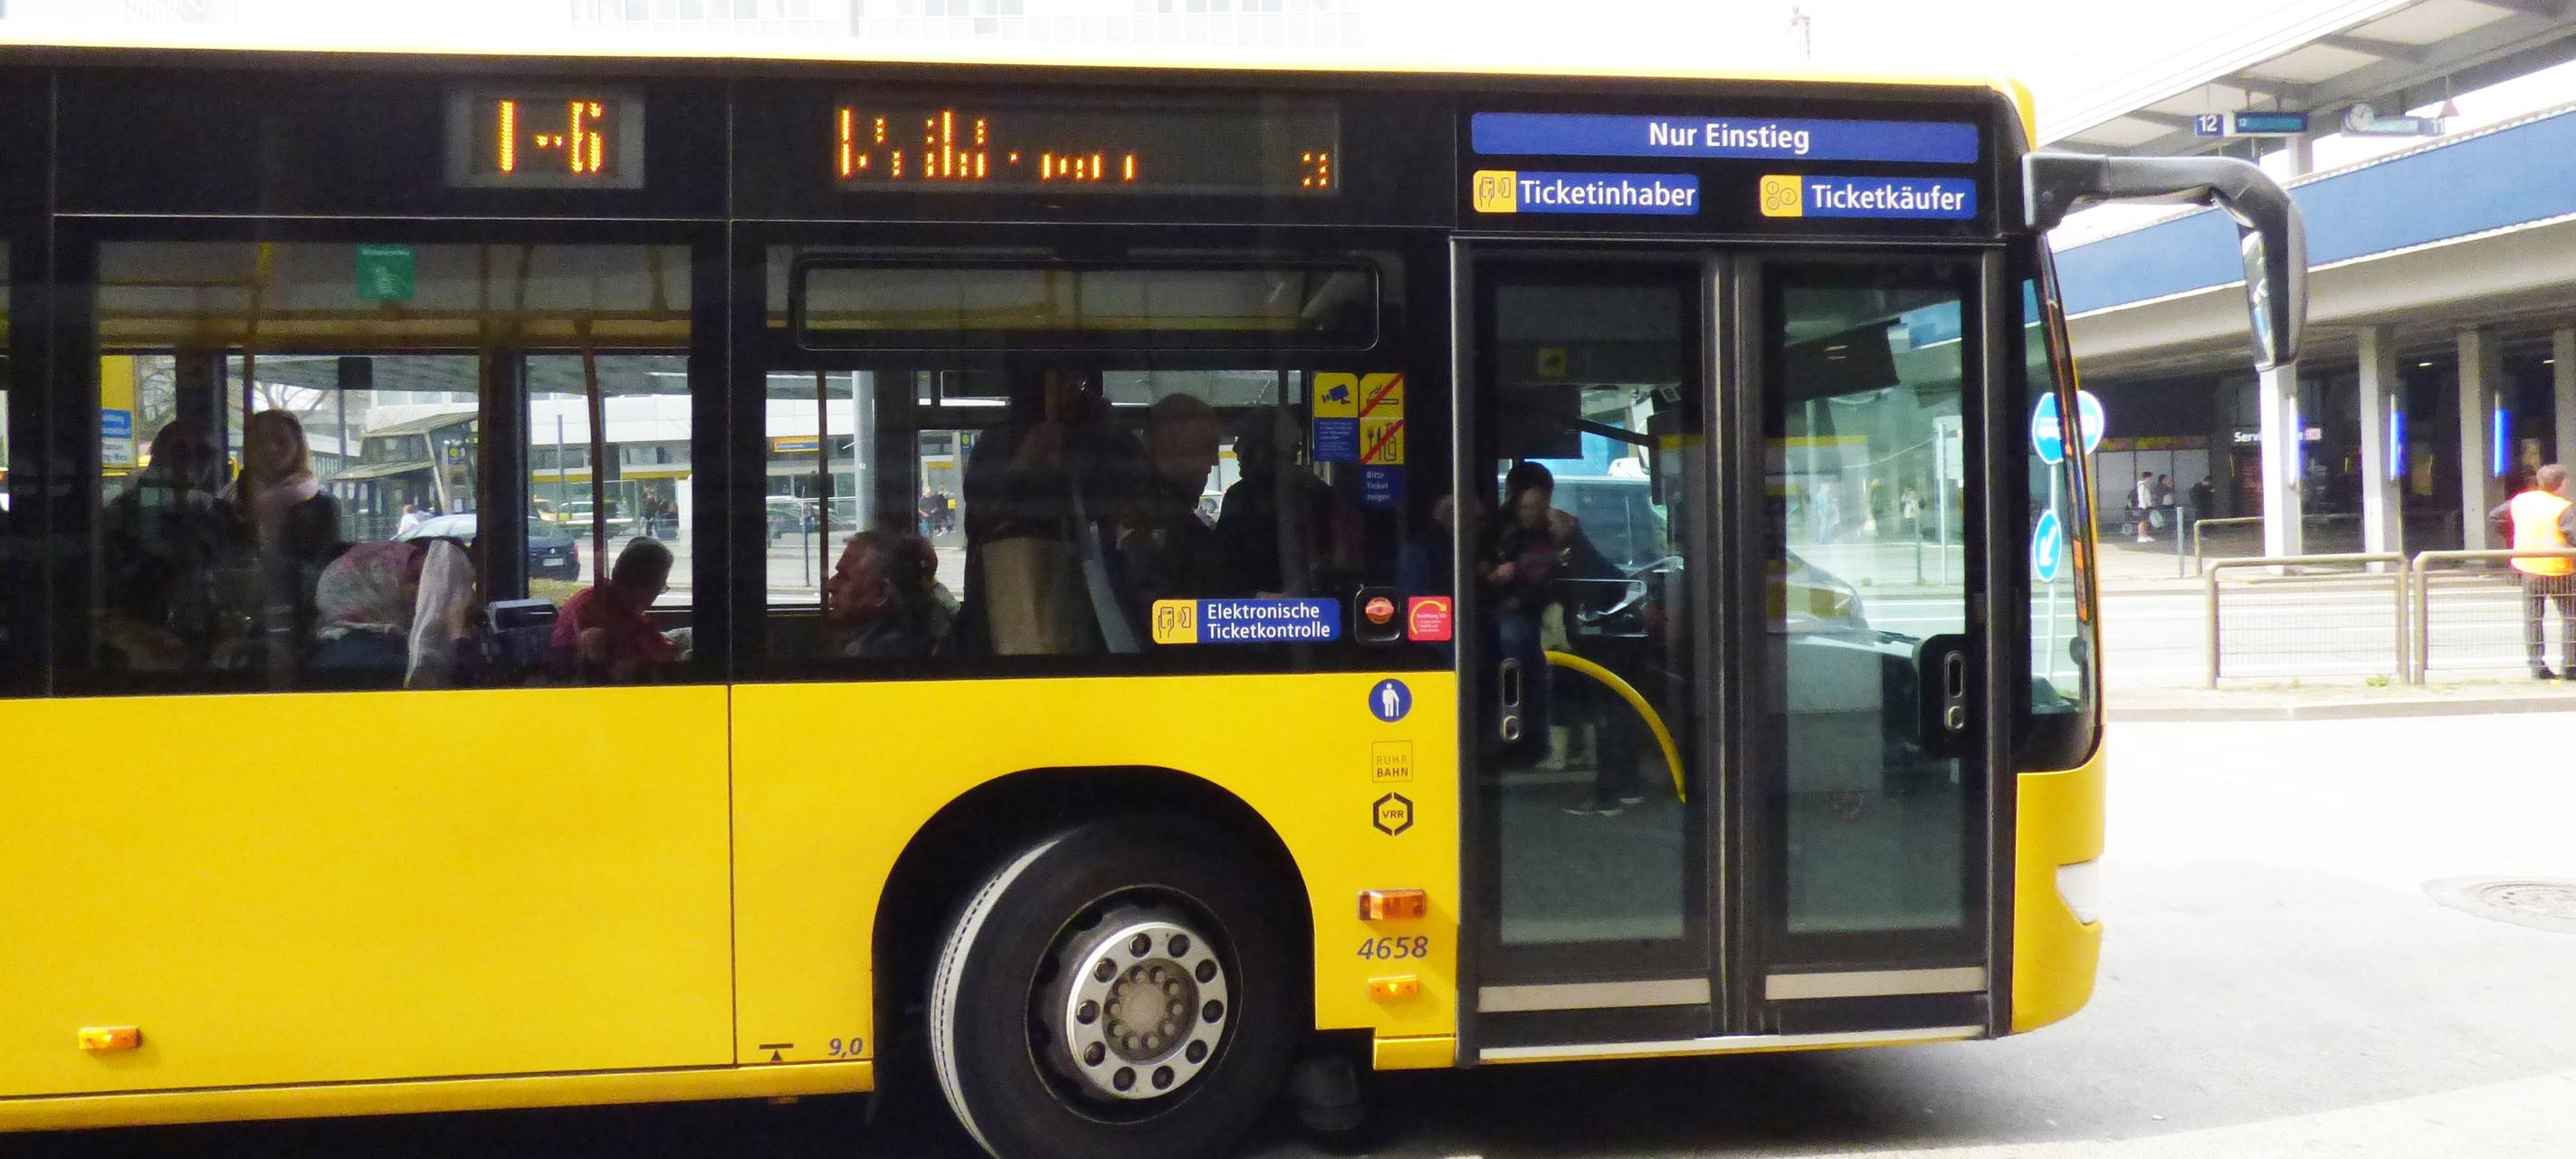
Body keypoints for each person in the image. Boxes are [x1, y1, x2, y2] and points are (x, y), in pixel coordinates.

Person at [958, 365, 1151, 656]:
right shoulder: (1000, 443)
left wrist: (1111, 427)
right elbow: (981, 516)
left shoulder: (1100, 436)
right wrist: (1026, 461)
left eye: (1076, 381)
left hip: (1096, 602)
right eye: (1058, 382)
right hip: (1011, 596)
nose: (1071, 389)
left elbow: (1139, 493)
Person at [100, 417, 248, 669]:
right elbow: (104, 602)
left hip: (214, 647)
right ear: (156, 455)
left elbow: (240, 576)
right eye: (180, 451)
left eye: (204, 453)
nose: (192, 461)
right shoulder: (119, 517)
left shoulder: (221, 515)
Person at [1117, 394, 1230, 613]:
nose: (1214, 462)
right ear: (1169, 448)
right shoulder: (1158, 524)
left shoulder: (1159, 513)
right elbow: (1166, 618)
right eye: (1207, 447)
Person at [2489, 464, 2576, 680]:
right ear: (2562, 484)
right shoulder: (2563, 507)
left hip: (2527, 567)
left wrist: (2512, 537)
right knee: (2571, 618)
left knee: (2533, 619)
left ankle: (2537, 667)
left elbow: (2495, 516)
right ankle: (2571, 667)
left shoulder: (2520, 501)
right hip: (2560, 569)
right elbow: (2573, 536)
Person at [552, 536, 677, 678]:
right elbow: (666, 662)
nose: (657, 594)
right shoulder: (628, 625)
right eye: (661, 586)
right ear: (643, 586)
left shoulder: (588, 596)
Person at [823, 529, 954, 659]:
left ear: (881, 593)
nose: (830, 585)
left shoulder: (880, 657)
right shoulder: (921, 633)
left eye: (844, 576)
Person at [2132, 471, 2156, 541]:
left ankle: (2145, 535)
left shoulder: (2144, 485)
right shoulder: (2142, 485)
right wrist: (2143, 505)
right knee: (2142, 521)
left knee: (2145, 521)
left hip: (2147, 505)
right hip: (2143, 506)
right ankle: (2141, 536)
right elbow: (2141, 496)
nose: (2150, 479)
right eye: (2150, 477)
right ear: (2147, 477)